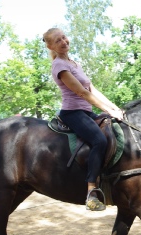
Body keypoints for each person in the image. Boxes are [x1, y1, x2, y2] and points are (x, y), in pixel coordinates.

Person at [43, 28, 123, 211]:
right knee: (99, 141)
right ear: (50, 46)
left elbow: (92, 89)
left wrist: (114, 108)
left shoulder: (74, 63)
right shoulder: (59, 66)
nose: (63, 41)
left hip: (86, 112)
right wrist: (108, 110)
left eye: (64, 37)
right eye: (57, 40)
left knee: (114, 129)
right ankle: (91, 191)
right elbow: (81, 92)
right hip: (72, 113)